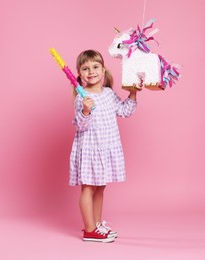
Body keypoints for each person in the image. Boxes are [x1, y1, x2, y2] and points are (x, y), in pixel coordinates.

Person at [69, 50, 139, 243]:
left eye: (95, 67)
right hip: (91, 148)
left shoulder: (108, 93)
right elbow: (81, 125)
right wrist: (85, 109)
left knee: (100, 187)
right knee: (88, 188)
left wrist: (132, 94)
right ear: (79, 74)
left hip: (106, 147)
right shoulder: (81, 98)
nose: (91, 71)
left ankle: (97, 224)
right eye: (85, 68)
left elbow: (124, 111)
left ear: (103, 70)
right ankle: (89, 229)